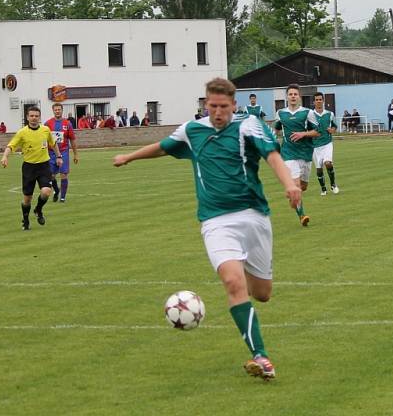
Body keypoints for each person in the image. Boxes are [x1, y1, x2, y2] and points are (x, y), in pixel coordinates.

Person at [112, 77, 300, 381]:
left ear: (233, 105)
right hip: (216, 221)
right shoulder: (192, 130)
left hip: (253, 216)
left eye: (223, 107)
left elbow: (272, 156)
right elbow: (162, 147)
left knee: (262, 294)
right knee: (232, 283)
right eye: (212, 106)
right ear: (205, 103)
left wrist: (290, 184)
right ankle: (261, 356)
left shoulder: (249, 125)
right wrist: (128, 157)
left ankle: (250, 297)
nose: (217, 112)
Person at [0, 106, 63, 230]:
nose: (34, 118)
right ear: (27, 117)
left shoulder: (45, 130)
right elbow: (11, 146)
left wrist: (59, 156)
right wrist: (5, 157)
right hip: (29, 167)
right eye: (32, 116)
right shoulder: (22, 132)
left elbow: (53, 143)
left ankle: (38, 210)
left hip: (44, 165)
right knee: (27, 198)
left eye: (36, 116)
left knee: (46, 192)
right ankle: (26, 219)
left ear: (39, 118)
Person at [273, 84, 318, 226]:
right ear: (287, 96)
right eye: (290, 94)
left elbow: (317, 132)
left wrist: (303, 134)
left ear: (299, 97)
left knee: (303, 187)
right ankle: (302, 215)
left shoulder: (307, 113)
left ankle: (293, 195)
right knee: (296, 185)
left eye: (295, 94)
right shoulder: (280, 113)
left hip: (305, 153)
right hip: (288, 153)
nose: (293, 96)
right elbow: (276, 131)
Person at [44, 102, 79, 203]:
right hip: (51, 153)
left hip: (63, 152)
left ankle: (62, 198)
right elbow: (44, 138)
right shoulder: (47, 124)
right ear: (53, 111)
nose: (57, 111)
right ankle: (56, 190)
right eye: (56, 110)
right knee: (51, 176)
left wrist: (76, 154)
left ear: (62, 110)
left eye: (59, 109)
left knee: (63, 174)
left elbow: (72, 139)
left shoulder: (67, 124)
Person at [308, 92, 339, 196]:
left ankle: (333, 184)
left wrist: (332, 130)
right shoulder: (309, 115)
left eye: (320, 99)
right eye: (316, 100)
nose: (318, 101)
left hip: (327, 143)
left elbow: (335, 126)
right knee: (319, 169)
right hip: (315, 146)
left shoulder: (329, 114)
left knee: (328, 163)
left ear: (323, 100)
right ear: (313, 102)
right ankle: (323, 188)